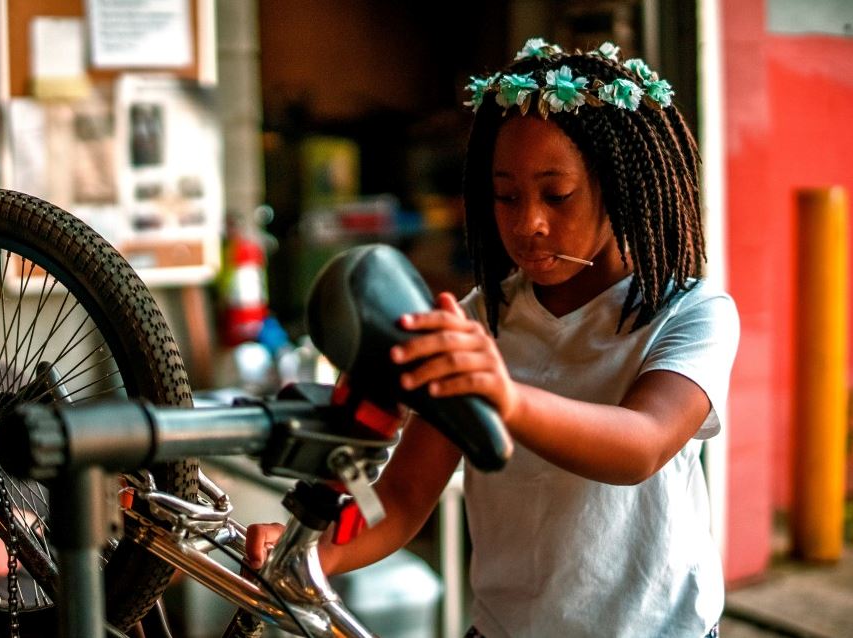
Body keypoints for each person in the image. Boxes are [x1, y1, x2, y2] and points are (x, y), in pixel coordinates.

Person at [248, 38, 739, 638]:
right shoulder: (484, 322)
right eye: (506, 196)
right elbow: (400, 500)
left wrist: (503, 397)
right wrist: (310, 552)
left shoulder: (689, 312)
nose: (528, 223)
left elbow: (641, 445)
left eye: (557, 196)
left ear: (619, 188)